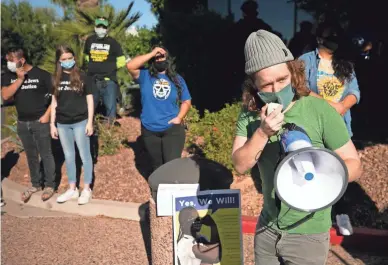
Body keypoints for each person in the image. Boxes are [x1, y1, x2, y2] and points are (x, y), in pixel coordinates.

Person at [231, 30, 362, 265]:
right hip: (267, 229)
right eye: (266, 85)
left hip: (308, 234)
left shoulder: (318, 110)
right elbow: (240, 164)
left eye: (282, 80)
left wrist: (324, 170)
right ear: (253, 85)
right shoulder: (249, 115)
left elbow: (354, 164)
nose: (276, 89)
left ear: (292, 70)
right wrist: (262, 133)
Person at [1, 47, 56, 202]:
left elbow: (57, 96)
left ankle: (50, 185)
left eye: (11, 60)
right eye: (7, 60)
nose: (9, 63)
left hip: (40, 121)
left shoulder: (42, 75)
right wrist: (19, 79)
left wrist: (47, 115)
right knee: (31, 155)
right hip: (22, 123)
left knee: (46, 153)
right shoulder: (9, 76)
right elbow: (5, 95)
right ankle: (35, 184)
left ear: (22, 60)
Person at [126, 47, 192, 172]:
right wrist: (151, 52)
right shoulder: (145, 76)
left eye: (162, 55)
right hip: (150, 129)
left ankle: (171, 191)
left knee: (172, 166)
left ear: (168, 58)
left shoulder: (177, 79)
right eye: (157, 56)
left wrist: (179, 118)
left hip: (172, 129)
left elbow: (186, 101)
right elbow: (130, 66)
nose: (160, 58)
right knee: (157, 166)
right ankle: (158, 190)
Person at [299, 21, 361, 137]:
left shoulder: (346, 63)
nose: (335, 38)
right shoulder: (305, 60)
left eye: (338, 35)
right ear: (319, 39)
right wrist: (332, 107)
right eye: (331, 35)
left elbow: (354, 91)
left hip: (339, 126)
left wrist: (342, 107)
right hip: (312, 127)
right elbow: (301, 89)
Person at [50, 45, 94, 205]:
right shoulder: (55, 78)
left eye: (69, 58)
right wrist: (52, 124)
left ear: (74, 58)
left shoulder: (83, 76)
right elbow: (54, 102)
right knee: (69, 156)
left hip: (81, 122)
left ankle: (87, 189)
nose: (67, 61)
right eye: (63, 59)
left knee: (84, 155)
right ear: (59, 61)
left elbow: (90, 99)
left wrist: (90, 122)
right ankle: (72, 189)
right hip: (62, 124)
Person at [83, 17, 126, 123]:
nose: (101, 29)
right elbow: (86, 56)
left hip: (109, 80)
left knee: (111, 110)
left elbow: (122, 60)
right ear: (95, 27)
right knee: (90, 108)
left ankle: (110, 134)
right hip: (93, 79)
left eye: (103, 27)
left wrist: (110, 68)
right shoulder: (89, 40)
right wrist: (94, 66)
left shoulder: (113, 42)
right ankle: (91, 131)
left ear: (107, 29)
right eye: (99, 26)